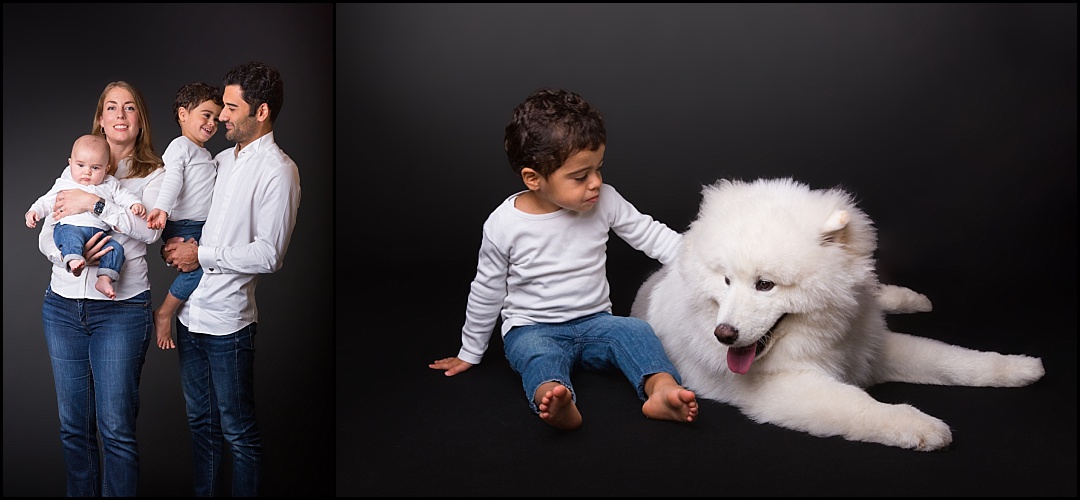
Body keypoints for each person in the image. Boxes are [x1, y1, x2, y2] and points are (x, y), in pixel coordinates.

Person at [428, 88, 698, 431]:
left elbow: (651, 235)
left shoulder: (605, 200)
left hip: (596, 322)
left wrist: (701, 258)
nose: (596, 183)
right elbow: (487, 290)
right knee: (539, 357)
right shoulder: (505, 224)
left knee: (636, 332)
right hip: (532, 327)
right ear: (533, 179)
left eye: (599, 169)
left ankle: (662, 390)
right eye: (580, 176)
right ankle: (556, 398)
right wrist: (470, 351)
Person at [161, 61, 300, 497]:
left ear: (260, 112)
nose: (221, 115)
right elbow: (179, 199)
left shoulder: (279, 171)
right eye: (221, 105)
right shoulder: (218, 159)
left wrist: (198, 253)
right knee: (200, 427)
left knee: (238, 433)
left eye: (231, 107)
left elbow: (269, 254)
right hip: (190, 317)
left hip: (228, 326)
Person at [37, 81, 166, 496]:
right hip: (63, 306)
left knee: (115, 428)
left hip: (121, 311)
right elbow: (47, 233)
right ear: (101, 117)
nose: (120, 115)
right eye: (112, 107)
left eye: (129, 107)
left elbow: (148, 233)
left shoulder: (156, 174)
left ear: (139, 118)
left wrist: (92, 205)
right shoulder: (77, 165)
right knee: (73, 428)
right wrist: (71, 256)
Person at [146, 82, 224, 350]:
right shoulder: (181, 146)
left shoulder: (205, 153)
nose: (212, 122)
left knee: (208, 267)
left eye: (216, 117)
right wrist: (163, 209)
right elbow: (172, 181)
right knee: (200, 267)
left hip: (199, 226)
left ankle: (184, 316)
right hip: (184, 224)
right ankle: (165, 312)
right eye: (206, 114)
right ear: (183, 114)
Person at [27, 134, 148, 299]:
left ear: (106, 168)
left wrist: (134, 204)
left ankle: (104, 279)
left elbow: (123, 196)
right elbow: (47, 201)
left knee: (116, 250)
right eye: (80, 165)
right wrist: (34, 212)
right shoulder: (66, 182)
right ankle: (73, 261)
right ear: (70, 164)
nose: (87, 172)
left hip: (99, 234)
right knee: (70, 238)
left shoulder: (110, 184)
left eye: (95, 168)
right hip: (70, 226)